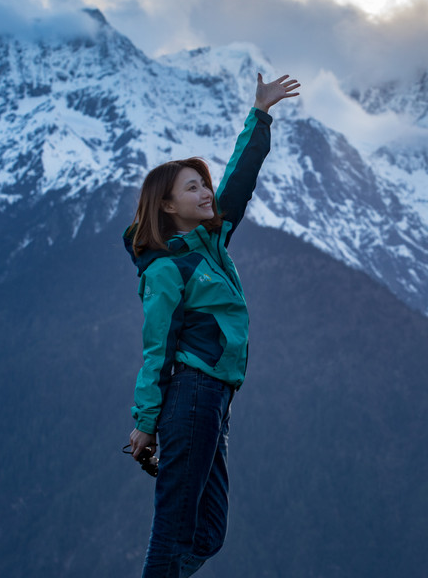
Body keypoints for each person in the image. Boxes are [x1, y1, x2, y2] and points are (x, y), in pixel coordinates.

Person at [123, 72, 301, 577]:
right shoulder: (166, 267)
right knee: (175, 527)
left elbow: (239, 181)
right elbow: (156, 348)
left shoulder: (211, 243)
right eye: (193, 187)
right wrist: (145, 421)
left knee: (209, 531)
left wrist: (260, 114)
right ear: (167, 205)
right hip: (192, 394)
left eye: (204, 184)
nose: (206, 192)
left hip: (215, 401)